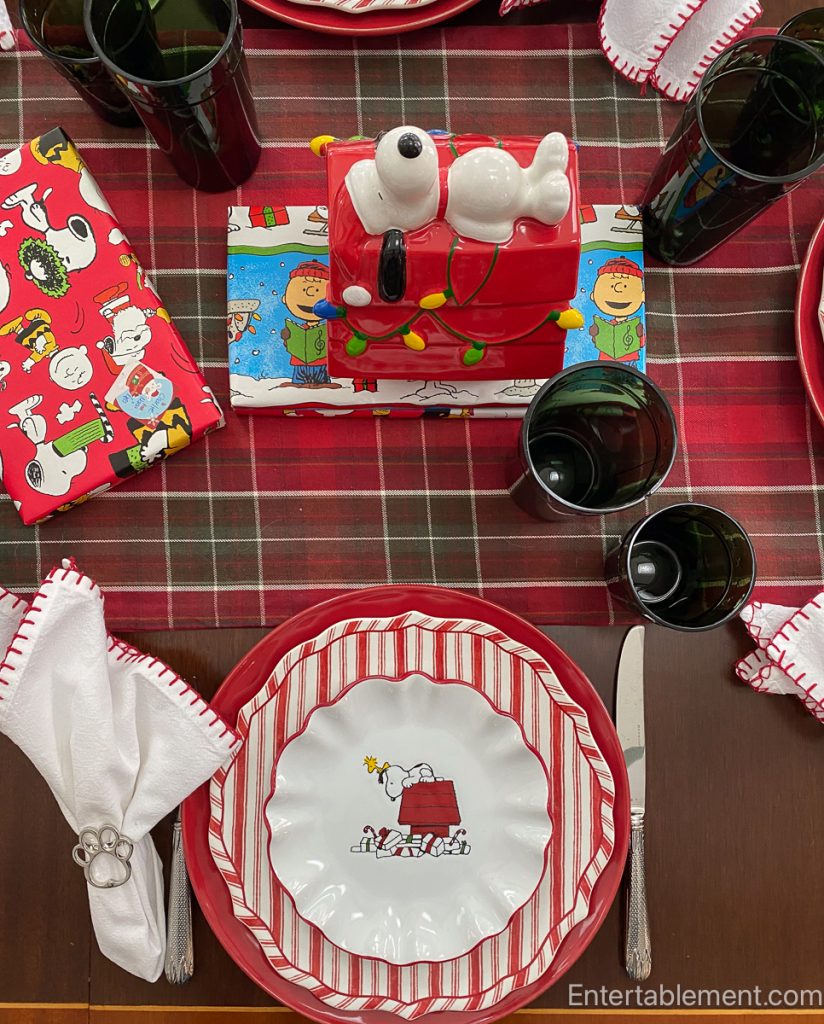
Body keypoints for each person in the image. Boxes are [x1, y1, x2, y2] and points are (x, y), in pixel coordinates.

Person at [279, 260, 341, 389]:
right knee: (299, 380)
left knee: (321, 379)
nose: (310, 293)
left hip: (321, 362)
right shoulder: (298, 329)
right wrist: (287, 338)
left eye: (317, 290)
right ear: (284, 298)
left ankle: (321, 383)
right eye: (303, 290)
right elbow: (290, 345)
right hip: (299, 363)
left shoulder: (328, 327)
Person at [588, 257, 645, 364]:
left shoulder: (635, 325)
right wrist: (595, 334)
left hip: (629, 361)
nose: (618, 289)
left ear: (642, 296)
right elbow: (599, 342)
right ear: (593, 295)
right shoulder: (606, 326)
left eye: (625, 286)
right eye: (611, 286)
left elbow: (641, 343)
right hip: (606, 360)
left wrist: (639, 335)